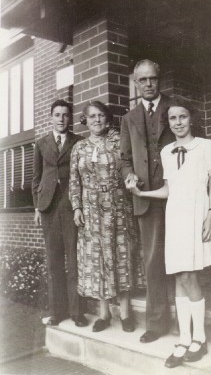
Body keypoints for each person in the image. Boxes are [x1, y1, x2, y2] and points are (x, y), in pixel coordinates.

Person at [120, 59, 211, 344]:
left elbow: (201, 155)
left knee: (187, 264)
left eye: (152, 78)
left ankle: (188, 328)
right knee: (154, 260)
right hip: (152, 197)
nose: (148, 84)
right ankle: (157, 323)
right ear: (136, 83)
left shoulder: (176, 109)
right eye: (142, 80)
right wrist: (130, 178)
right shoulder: (129, 119)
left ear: (159, 79)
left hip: (186, 200)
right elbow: (125, 159)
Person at [69, 101, 144, 333]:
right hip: (91, 212)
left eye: (101, 115)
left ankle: (125, 313)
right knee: (98, 259)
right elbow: (74, 181)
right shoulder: (79, 148)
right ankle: (103, 314)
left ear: (107, 118)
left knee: (121, 257)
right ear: (85, 120)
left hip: (118, 208)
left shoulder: (117, 141)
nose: (97, 120)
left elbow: (129, 168)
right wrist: (77, 208)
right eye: (92, 116)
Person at [32, 99, 87, 327]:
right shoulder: (41, 143)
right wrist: (36, 206)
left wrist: (80, 206)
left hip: (70, 206)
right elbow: (36, 177)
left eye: (65, 115)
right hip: (48, 208)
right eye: (57, 114)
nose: (61, 119)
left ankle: (77, 312)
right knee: (54, 260)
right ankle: (58, 312)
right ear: (51, 117)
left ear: (70, 118)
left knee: (74, 260)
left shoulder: (79, 142)